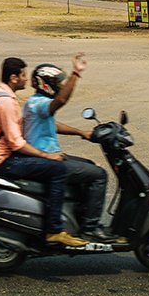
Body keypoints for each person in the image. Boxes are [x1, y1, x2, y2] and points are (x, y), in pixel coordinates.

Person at [0, 57, 87, 248]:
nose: (26, 79)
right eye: (23, 75)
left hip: (2, 156)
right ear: (14, 78)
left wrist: (80, 133)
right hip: (4, 160)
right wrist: (46, 155)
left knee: (72, 165)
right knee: (58, 169)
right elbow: (16, 143)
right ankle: (54, 230)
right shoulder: (6, 102)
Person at [23, 55, 127, 245]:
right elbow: (61, 100)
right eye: (58, 83)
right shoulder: (38, 103)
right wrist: (76, 73)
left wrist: (81, 132)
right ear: (46, 84)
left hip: (50, 157)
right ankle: (91, 228)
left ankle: (78, 219)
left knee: (88, 165)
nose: (61, 86)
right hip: (46, 160)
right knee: (99, 175)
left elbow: (53, 124)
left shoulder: (37, 103)